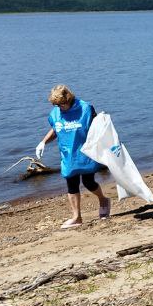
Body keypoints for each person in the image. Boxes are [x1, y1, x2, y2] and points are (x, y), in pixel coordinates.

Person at [35, 84, 111, 228]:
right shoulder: (56, 113)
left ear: (68, 98)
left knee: (88, 182)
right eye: (56, 105)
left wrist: (106, 146)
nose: (60, 107)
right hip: (68, 154)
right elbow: (56, 129)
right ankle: (77, 217)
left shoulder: (85, 109)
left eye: (61, 104)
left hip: (85, 153)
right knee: (71, 183)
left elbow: (99, 127)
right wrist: (43, 142)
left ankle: (103, 200)